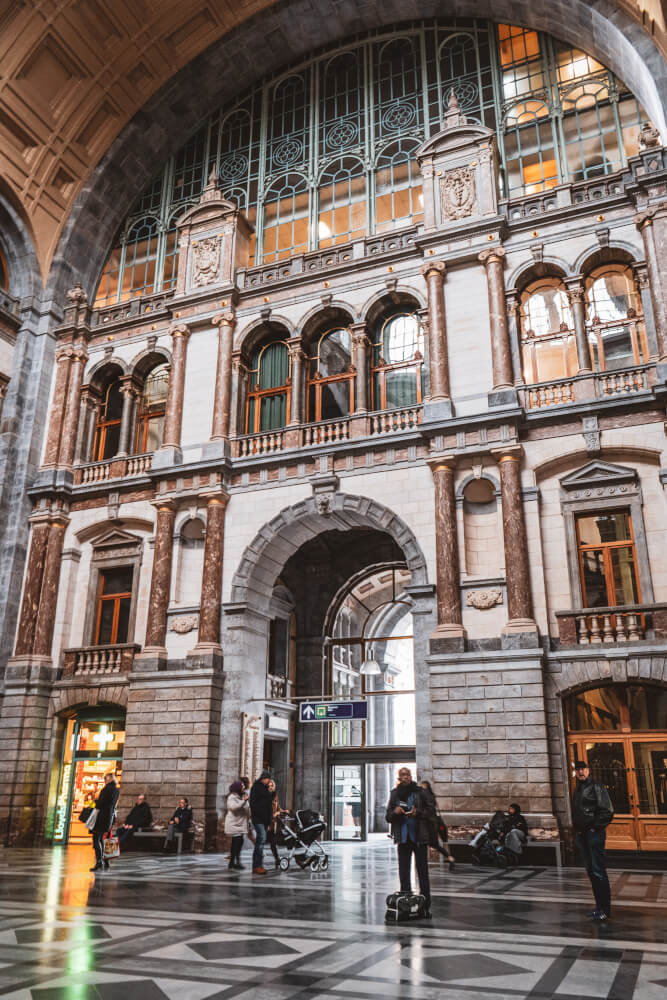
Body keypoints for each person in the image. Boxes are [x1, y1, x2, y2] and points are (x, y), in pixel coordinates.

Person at [572, 759, 614, 921]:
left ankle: (605, 909)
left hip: (593, 833)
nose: (581, 772)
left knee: (598, 871)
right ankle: (599, 907)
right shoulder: (579, 787)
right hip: (582, 834)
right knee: (591, 871)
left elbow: (607, 811)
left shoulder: (596, 786)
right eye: (578, 770)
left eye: (583, 769)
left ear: (588, 770)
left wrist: (594, 827)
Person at [385, 766, 431, 916]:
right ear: (399, 778)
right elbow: (388, 816)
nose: (405, 777)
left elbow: (430, 812)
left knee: (422, 870)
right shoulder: (394, 794)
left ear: (411, 776)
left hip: (419, 837)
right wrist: (395, 812)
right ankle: (406, 899)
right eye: (402, 775)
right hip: (403, 838)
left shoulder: (420, 792)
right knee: (403, 870)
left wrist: (419, 812)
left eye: (407, 775)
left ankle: (426, 901)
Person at [420, 779, 454, 870]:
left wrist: (421, 813)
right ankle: (450, 858)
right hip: (433, 822)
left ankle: (450, 858)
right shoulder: (431, 795)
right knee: (433, 844)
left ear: (426, 786)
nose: (421, 788)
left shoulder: (426, 795)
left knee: (432, 844)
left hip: (430, 823)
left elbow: (429, 811)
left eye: (422, 786)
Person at [90, 772, 119, 872]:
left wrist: (95, 801)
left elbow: (101, 803)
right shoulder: (116, 790)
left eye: (105, 779)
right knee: (104, 838)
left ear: (108, 779)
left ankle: (99, 861)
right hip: (110, 817)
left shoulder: (106, 789)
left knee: (96, 838)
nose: (104, 781)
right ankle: (105, 861)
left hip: (102, 817)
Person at [249, 771, 273, 874]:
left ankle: (257, 865)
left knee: (261, 841)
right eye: (268, 779)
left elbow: (268, 804)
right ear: (263, 778)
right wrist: (261, 815)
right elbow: (254, 804)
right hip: (259, 819)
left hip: (263, 820)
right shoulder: (256, 788)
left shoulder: (264, 788)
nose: (269, 781)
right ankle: (257, 865)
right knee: (261, 840)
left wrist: (268, 820)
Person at [224, 781, 250, 870]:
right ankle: (234, 863)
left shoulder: (241, 797)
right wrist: (244, 801)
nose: (244, 788)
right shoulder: (231, 797)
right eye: (242, 786)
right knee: (236, 843)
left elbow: (246, 808)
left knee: (238, 843)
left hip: (240, 824)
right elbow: (233, 808)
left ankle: (234, 863)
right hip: (234, 824)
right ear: (238, 788)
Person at [267, 778, 288, 868]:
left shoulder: (275, 795)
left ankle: (277, 859)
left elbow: (277, 807)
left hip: (274, 823)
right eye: (269, 786)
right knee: (272, 841)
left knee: (274, 842)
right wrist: (274, 814)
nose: (270, 787)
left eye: (272, 786)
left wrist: (283, 811)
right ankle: (276, 859)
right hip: (268, 823)